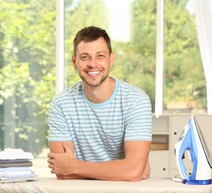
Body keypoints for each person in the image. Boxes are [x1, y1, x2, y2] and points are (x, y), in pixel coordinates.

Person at [47, 26, 152, 181]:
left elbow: (133, 171)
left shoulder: (136, 100)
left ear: (111, 59)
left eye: (100, 56)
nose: (93, 64)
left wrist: (73, 166)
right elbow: (63, 173)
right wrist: (125, 171)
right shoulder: (60, 104)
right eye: (85, 57)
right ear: (74, 62)